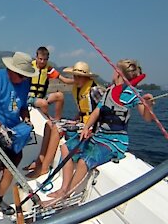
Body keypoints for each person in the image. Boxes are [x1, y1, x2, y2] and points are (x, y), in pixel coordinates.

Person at [47, 59, 154, 200]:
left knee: (84, 160)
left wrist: (148, 105)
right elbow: (97, 111)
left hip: (114, 142)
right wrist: (86, 127)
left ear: (118, 73)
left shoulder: (133, 93)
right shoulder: (109, 91)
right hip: (98, 135)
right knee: (66, 147)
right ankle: (63, 188)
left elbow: (147, 118)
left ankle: (65, 195)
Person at [0, 52, 38, 223]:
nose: (24, 79)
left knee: (10, 167)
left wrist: (26, 118)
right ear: (11, 70)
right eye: (21, 75)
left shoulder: (25, 83)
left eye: (26, 76)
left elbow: (23, 106)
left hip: (13, 130)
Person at [25, 61, 103, 178]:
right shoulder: (78, 87)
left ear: (86, 77)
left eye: (79, 76)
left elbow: (102, 110)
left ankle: (44, 168)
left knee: (57, 128)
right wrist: (76, 119)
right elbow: (85, 109)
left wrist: (94, 129)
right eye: (74, 76)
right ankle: (39, 160)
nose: (75, 79)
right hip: (81, 122)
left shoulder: (95, 90)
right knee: (49, 124)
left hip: (90, 127)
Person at [28, 46, 73, 120]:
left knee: (60, 96)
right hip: (30, 98)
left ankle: (57, 120)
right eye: (40, 59)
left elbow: (64, 80)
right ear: (36, 57)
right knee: (44, 103)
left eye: (45, 60)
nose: (42, 62)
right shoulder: (30, 67)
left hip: (41, 98)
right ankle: (48, 119)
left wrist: (76, 81)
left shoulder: (48, 69)